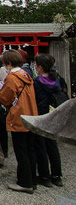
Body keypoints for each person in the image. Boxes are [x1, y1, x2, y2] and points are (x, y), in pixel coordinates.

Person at [0, 50, 38, 194]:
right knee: (30, 149)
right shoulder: (26, 74)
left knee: (21, 150)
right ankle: (32, 179)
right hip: (31, 114)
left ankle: (25, 182)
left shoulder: (12, 77)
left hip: (19, 116)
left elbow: (5, 98)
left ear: (7, 63)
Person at [33, 53, 67, 187]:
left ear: (40, 68)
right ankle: (57, 175)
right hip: (54, 114)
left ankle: (44, 175)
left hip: (41, 114)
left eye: (36, 65)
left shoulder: (37, 82)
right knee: (52, 145)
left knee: (40, 145)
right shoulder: (58, 79)